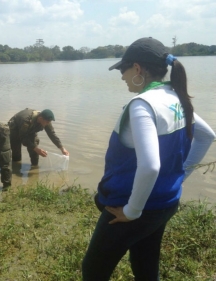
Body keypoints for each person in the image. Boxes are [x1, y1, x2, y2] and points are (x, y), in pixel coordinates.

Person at [81, 37, 216, 280]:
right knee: (145, 263)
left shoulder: (142, 104)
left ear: (137, 69)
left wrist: (132, 211)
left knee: (93, 271)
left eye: (123, 69)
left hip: (128, 208)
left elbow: (151, 166)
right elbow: (207, 136)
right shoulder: (176, 98)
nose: (121, 76)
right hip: (166, 203)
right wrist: (180, 175)